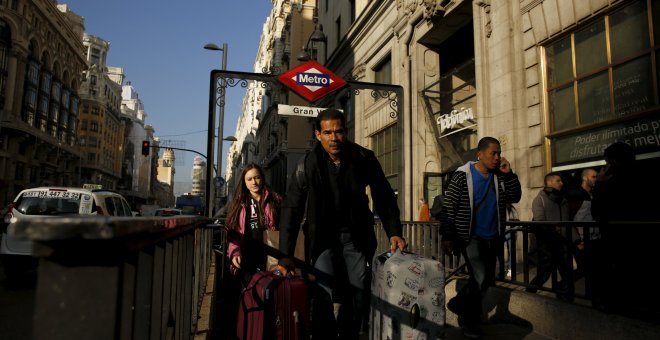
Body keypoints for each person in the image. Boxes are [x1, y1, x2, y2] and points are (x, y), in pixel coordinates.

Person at [278, 108, 406, 340]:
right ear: (318, 134)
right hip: (322, 239)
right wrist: (285, 254)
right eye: (327, 132)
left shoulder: (363, 158)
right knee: (324, 293)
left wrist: (394, 232)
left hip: (355, 237)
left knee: (358, 291)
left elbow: (383, 195)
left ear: (345, 132)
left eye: (338, 132)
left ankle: (349, 333)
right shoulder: (307, 164)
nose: (333, 138)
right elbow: (291, 208)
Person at [440, 137, 521, 338]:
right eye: (493, 153)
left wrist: (509, 174)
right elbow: (449, 207)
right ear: (480, 154)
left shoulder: (499, 176)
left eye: (499, 153)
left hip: (493, 237)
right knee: (480, 277)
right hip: (470, 237)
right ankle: (469, 320)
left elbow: (515, 196)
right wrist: (448, 236)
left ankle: (459, 305)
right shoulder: (462, 176)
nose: (497, 157)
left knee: (485, 282)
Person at [590, 141, 658, 319]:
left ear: (613, 162)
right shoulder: (647, 174)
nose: (605, 167)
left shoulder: (613, 182)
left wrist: (600, 185)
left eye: (607, 163)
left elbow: (598, 211)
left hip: (619, 239)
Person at [225, 163, 283, 283]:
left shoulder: (275, 200)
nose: (254, 182)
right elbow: (233, 233)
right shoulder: (238, 204)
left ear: (262, 178)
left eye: (257, 177)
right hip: (247, 257)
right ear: (244, 182)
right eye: (249, 179)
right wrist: (235, 251)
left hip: (271, 256)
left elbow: (284, 227)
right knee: (251, 293)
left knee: (271, 292)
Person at [527, 172, 573, 300]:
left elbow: (568, 222)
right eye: (558, 181)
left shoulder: (563, 200)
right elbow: (540, 220)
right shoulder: (540, 199)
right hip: (547, 244)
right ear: (549, 182)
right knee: (544, 274)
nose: (561, 183)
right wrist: (553, 229)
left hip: (562, 243)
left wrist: (577, 240)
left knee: (567, 273)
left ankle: (565, 298)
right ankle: (529, 293)